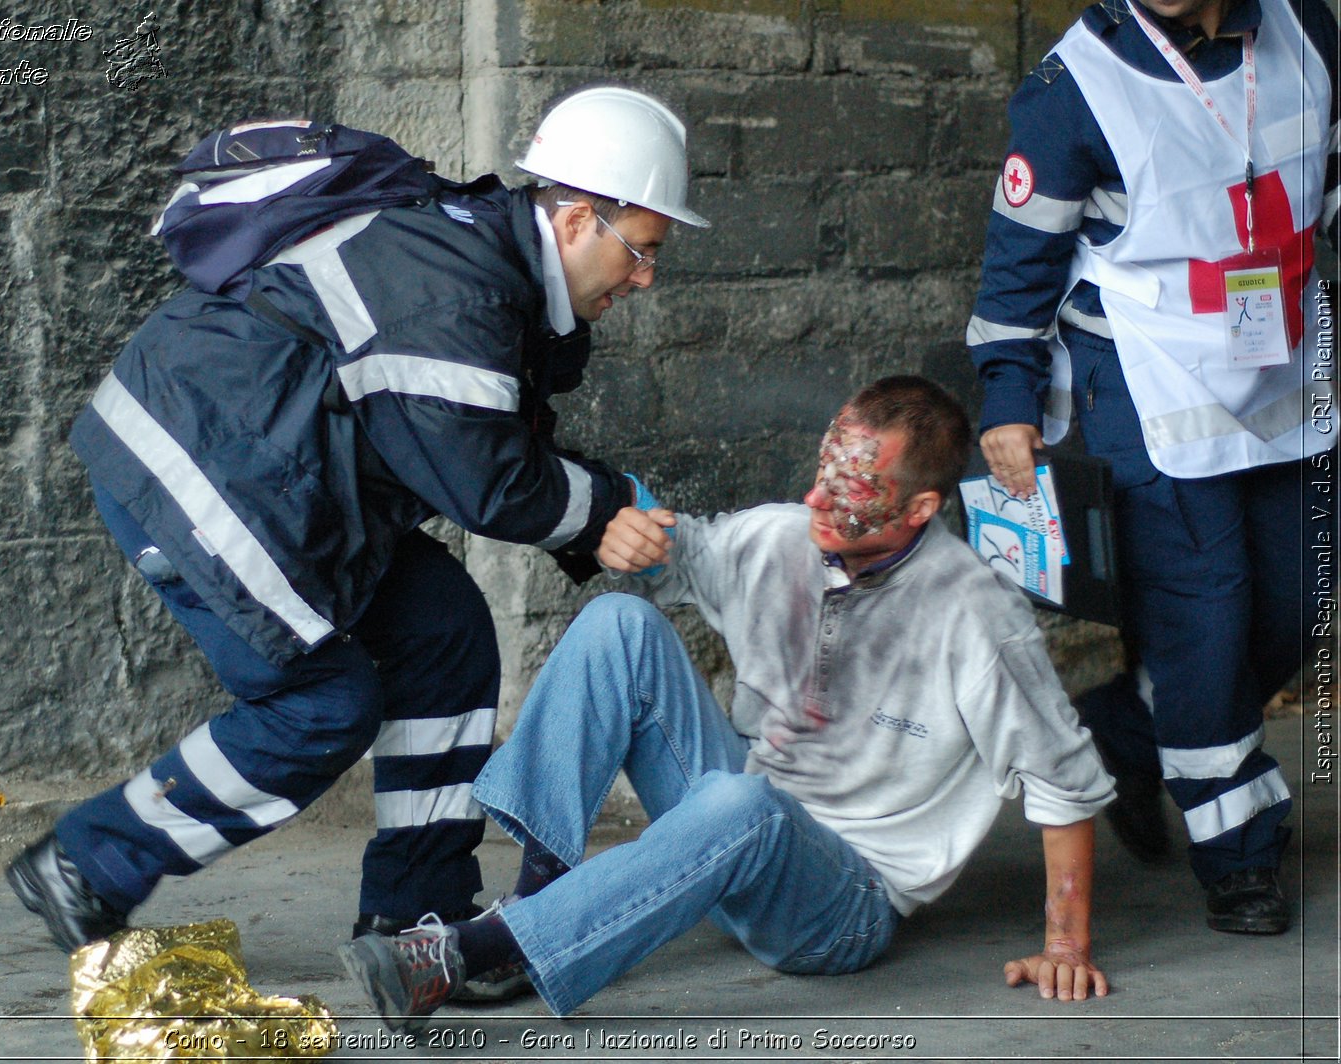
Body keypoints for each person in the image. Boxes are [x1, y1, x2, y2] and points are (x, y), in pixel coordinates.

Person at [4, 86, 711, 1000]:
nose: (647, 278)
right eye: (643, 251)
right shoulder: (458, 280)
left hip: (280, 475)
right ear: (577, 219)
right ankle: (87, 864)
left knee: (444, 629)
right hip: (204, 468)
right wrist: (603, 509)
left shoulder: (485, 266)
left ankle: (415, 916)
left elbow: (476, 439)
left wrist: (596, 513)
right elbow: (483, 478)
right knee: (320, 705)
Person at [339, 376, 1117, 1030]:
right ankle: (536, 903)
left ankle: (468, 955)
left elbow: (1062, 779)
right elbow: (685, 558)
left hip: (842, 904)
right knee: (620, 623)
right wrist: (627, 537)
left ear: (918, 511)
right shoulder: (783, 536)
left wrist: (1066, 947)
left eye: (850, 491)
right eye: (821, 469)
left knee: (748, 803)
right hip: (731, 819)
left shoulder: (977, 613)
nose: (816, 495)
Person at [965, 0, 1336, 934]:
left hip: (1285, 371)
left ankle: (1126, 733)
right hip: (1147, 383)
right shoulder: (1070, 90)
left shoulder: (1307, 28)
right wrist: (1007, 399)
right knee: (1203, 612)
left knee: (1297, 597)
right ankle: (1240, 855)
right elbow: (1019, 266)